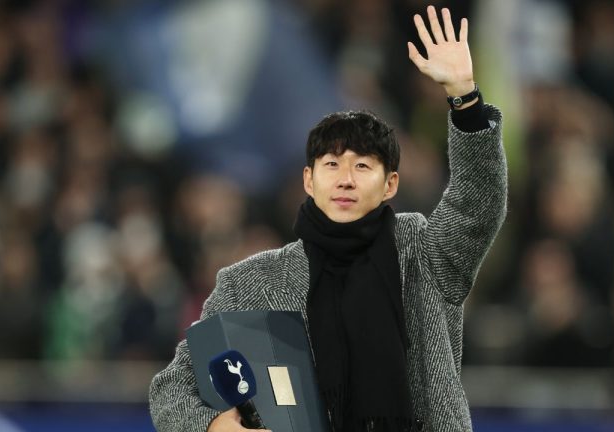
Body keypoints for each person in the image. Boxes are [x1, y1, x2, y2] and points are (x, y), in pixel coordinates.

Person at [149, 6, 507, 432]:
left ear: (390, 184)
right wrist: (213, 426)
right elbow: (173, 388)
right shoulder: (251, 283)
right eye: (332, 165)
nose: (345, 180)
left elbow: (477, 204)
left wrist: (465, 99)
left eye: (363, 166)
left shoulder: (424, 257)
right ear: (308, 179)